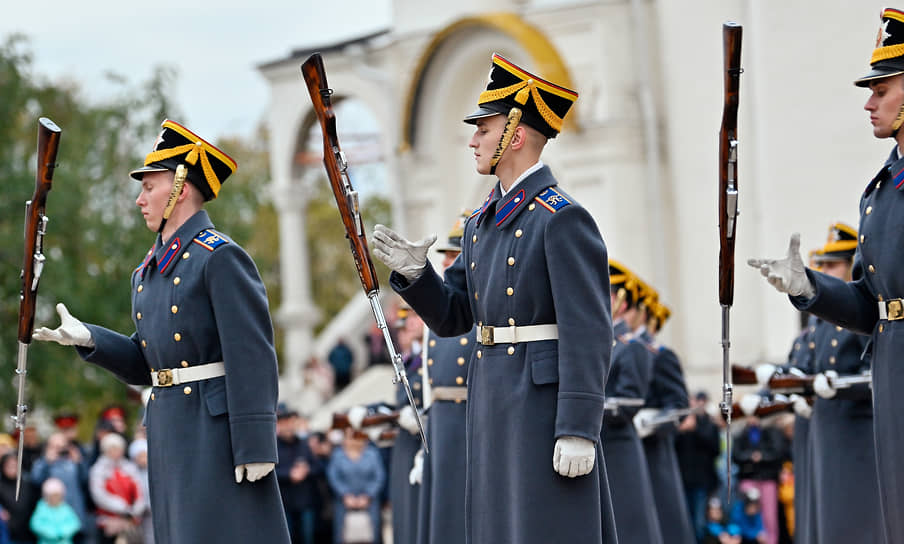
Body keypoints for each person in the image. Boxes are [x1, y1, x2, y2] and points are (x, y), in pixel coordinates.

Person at [372, 52, 615, 544]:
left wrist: (578, 424)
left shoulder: (560, 217)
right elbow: (454, 316)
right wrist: (417, 276)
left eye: (484, 128)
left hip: (540, 402)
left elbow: (589, 330)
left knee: (545, 526)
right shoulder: (482, 221)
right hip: (490, 395)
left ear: (516, 135)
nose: (473, 139)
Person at [31, 119, 290, 544]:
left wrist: (256, 442)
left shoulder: (219, 257)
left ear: (181, 188)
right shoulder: (146, 272)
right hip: (170, 426)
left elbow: (253, 355)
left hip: (215, 431)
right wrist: (91, 339)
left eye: (149, 187)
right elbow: (148, 362)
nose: (139, 199)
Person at [748, 8, 904, 542]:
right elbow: (872, 305)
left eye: (881, 89)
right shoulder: (881, 188)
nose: (868, 102)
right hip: (892, 370)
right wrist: (810, 288)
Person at [757, 223, 881, 544]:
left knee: (860, 519)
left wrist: (839, 385)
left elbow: (877, 375)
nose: (824, 271)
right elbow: (809, 369)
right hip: (826, 430)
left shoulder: (861, 314)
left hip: (859, 435)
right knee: (828, 519)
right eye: (822, 265)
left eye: (832, 265)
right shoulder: (821, 323)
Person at [412, 212, 475, 544]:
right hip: (442, 424)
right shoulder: (436, 319)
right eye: (448, 257)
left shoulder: (479, 311)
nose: (450, 263)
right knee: (443, 515)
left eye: (456, 256)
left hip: (469, 421)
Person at [602, 262, 663, 544]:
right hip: (601, 445)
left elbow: (629, 400)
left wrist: (586, 405)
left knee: (628, 526)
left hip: (618, 445)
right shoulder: (600, 342)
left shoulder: (631, 347)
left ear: (620, 301)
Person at [634, 295, 696, 544]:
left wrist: (649, 422)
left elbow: (679, 406)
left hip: (652, 449)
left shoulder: (660, 355)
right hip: (622, 447)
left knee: (662, 518)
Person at [731, 416, 789, 544]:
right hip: (748, 478)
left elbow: (777, 452)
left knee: (769, 516)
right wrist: (751, 457)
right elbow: (736, 455)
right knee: (748, 513)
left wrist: (761, 457)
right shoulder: (740, 434)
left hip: (767, 478)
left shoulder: (770, 432)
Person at [675, 390, 722, 541]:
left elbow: (715, 449)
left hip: (701, 481)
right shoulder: (682, 422)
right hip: (683, 480)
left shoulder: (708, 424)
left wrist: (695, 429)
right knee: (684, 519)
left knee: (699, 521)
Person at [326, 429, 385, 544]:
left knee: (371, 534)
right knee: (343, 534)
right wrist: (345, 495)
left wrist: (368, 495)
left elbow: (379, 476)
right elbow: (333, 476)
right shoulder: (338, 454)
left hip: (369, 502)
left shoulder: (372, 453)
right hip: (344, 502)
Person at [276, 404, 322, 544]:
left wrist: (306, 470)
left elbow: (318, 468)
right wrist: (289, 474)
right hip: (284, 504)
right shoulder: (274, 447)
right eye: (283, 422)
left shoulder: (303, 444)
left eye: (290, 421)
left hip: (305, 501)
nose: (288, 426)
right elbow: (271, 473)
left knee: (307, 537)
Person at [30, 432, 90, 541]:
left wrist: (79, 462)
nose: (59, 450)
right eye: (55, 447)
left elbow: (85, 480)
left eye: (62, 446)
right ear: (48, 447)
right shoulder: (42, 462)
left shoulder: (73, 462)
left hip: (74, 515)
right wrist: (46, 462)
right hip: (52, 520)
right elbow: (35, 480)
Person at [89, 433, 145, 544]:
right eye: (112, 449)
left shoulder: (129, 467)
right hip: (109, 521)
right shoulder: (99, 469)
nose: (116, 452)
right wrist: (121, 507)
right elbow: (99, 494)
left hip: (130, 520)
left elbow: (139, 488)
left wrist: (137, 508)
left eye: (118, 448)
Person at [0, 452, 39, 544]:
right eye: (9, 465)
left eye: (15, 465)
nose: (12, 468)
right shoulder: (1, 485)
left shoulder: (28, 484)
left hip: (28, 532)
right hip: (8, 534)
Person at [29, 478, 81, 544]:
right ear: (47, 496)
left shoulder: (65, 508)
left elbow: (75, 523)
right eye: (52, 496)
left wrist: (63, 532)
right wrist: (51, 533)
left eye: (57, 495)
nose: (55, 498)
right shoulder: (42, 509)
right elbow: (35, 524)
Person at [128, 439, 153, 544]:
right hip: (138, 512)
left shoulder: (153, 471)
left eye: (145, 455)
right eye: (140, 456)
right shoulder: (130, 472)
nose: (143, 459)